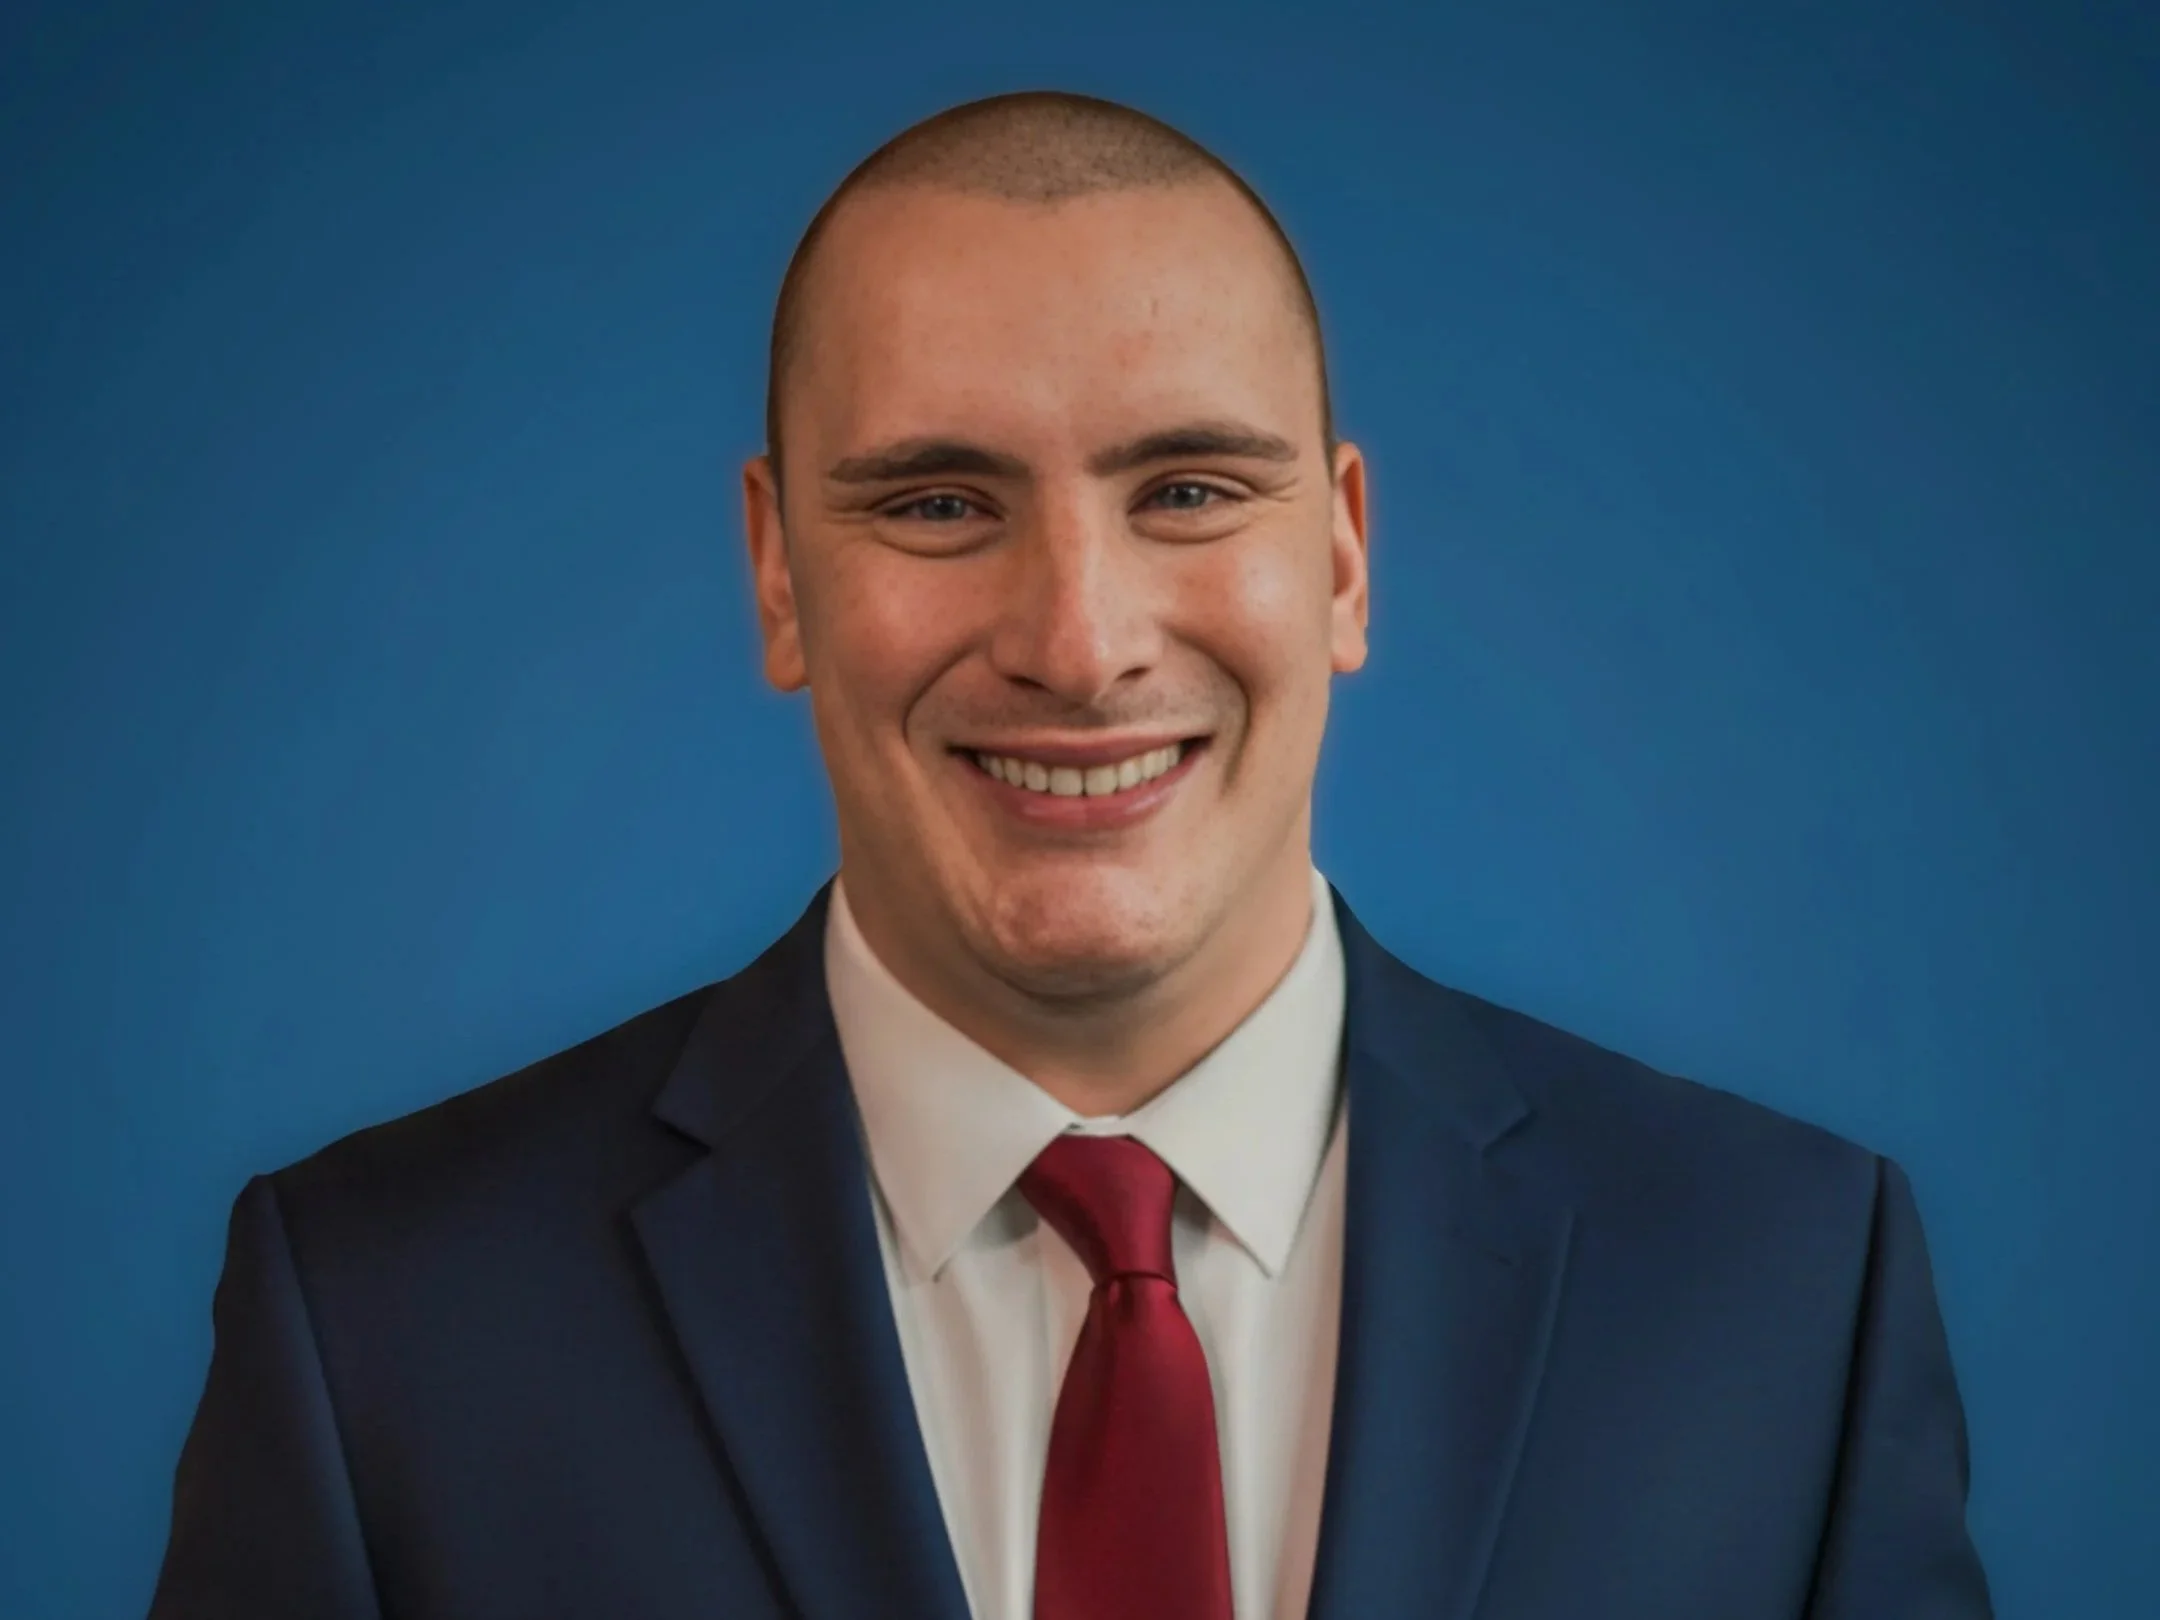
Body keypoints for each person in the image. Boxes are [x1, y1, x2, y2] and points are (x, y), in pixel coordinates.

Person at [148, 91, 1993, 1619]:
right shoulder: (384, 1317)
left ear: (1342, 556)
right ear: (780, 569)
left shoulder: (1782, 1288)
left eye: (1189, 490)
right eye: (940, 502)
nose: (1080, 635)